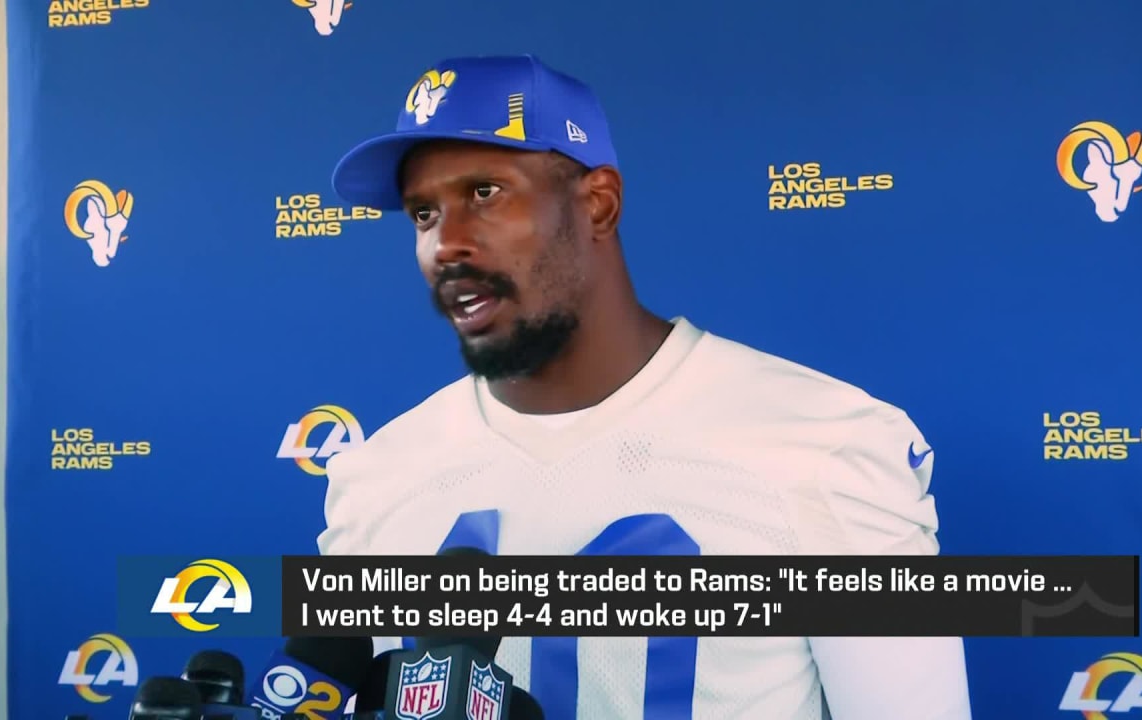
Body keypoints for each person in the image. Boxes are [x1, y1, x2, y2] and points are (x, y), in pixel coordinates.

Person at [323, 54, 973, 719]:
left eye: (485, 193)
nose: (447, 244)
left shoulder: (827, 444)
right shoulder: (376, 477)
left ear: (598, 204)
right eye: (423, 214)